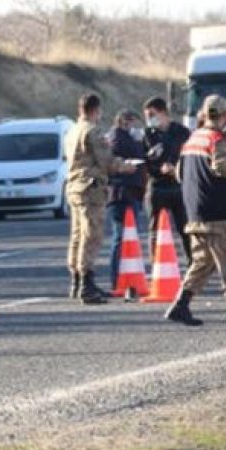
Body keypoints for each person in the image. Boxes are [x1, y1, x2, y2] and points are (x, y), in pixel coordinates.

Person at [165, 95, 226, 326]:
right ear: (225, 115)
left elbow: (179, 173)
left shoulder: (193, 139)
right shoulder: (217, 139)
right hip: (219, 213)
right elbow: (224, 168)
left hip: (196, 213)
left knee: (202, 262)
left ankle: (181, 305)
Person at [64, 94, 137, 304]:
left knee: (77, 235)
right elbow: (106, 160)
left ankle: (77, 280)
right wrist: (125, 166)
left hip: (74, 187)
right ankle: (87, 283)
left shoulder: (72, 130)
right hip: (90, 188)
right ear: (95, 110)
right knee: (91, 235)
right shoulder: (92, 131)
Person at [141, 97, 192, 264]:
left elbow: (190, 157)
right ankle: (157, 265)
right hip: (157, 187)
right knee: (156, 230)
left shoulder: (182, 132)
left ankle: (193, 265)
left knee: (186, 229)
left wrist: (176, 168)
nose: (150, 119)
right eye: (147, 116)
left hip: (178, 186)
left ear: (163, 113)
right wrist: (157, 169)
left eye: (152, 115)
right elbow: (144, 161)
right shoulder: (148, 135)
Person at [106, 109, 146, 298]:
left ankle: (126, 280)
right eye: (131, 122)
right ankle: (118, 280)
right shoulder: (117, 138)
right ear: (123, 121)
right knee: (121, 239)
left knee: (126, 239)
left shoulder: (124, 137)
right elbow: (117, 160)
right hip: (122, 193)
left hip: (130, 191)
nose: (134, 127)